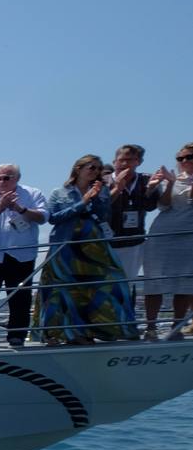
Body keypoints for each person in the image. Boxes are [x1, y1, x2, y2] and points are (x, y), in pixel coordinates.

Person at [40, 154, 137, 345]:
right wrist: (82, 202)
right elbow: (54, 218)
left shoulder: (100, 191)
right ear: (79, 168)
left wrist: (101, 197)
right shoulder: (59, 192)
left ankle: (103, 329)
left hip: (92, 244)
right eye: (91, 167)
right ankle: (63, 332)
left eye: (98, 169)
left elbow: (103, 216)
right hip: (66, 244)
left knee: (108, 281)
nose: (95, 172)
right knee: (64, 289)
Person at [0, 164, 48, 346]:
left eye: (6, 178)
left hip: (21, 254)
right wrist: (0, 207)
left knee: (20, 297)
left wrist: (20, 208)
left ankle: (17, 335)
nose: (2, 182)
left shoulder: (32, 193)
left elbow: (43, 217)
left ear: (17, 178)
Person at [142, 143, 193, 340]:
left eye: (190, 157)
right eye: (181, 158)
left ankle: (176, 326)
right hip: (163, 234)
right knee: (154, 282)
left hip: (189, 235)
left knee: (186, 283)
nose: (185, 161)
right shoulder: (170, 178)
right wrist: (170, 183)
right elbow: (162, 205)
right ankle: (151, 327)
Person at [109, 144, 158, 288]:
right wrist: (117, 188)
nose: (124, 164)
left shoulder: (145, 180)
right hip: (107, 241)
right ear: (114, 162)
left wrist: (150, 190)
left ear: (138, 162)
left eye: (130, 160)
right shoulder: (103, 181)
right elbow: (101, 208)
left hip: (134, 242)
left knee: (127, 285)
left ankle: (126, 310)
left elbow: (150, 207)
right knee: (107, 285)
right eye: (121, 160)